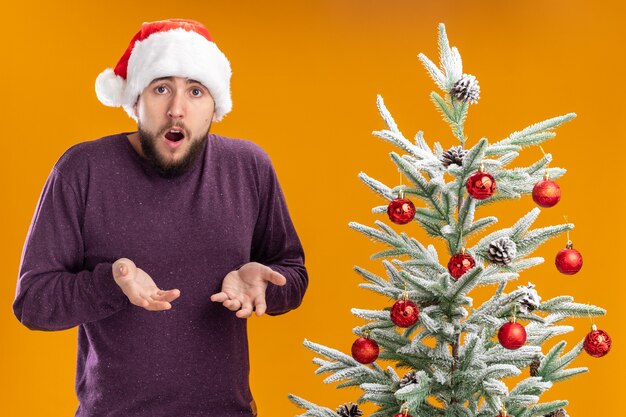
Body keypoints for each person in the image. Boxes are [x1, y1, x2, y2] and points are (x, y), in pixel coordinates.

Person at [12, 18, 308, 417]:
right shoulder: (82, 170)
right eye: (161, 88)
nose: (177, 109)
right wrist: (112, 281)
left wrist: (266, 288)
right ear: (135, 100)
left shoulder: (249, 167)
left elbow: (293, 274)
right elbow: (33, 302)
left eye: (196, 91)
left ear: (215, 106)